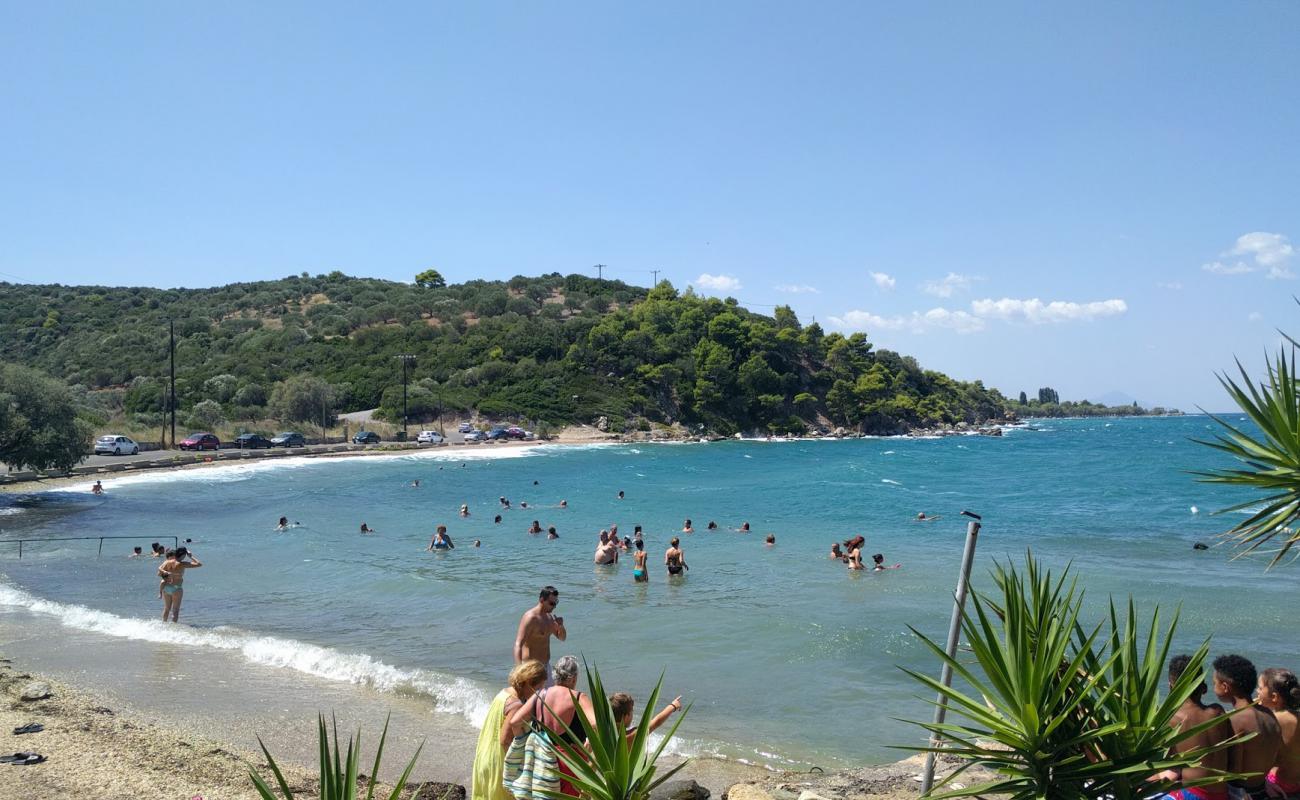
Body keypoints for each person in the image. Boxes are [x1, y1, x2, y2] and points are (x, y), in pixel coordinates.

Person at [506, 656, 595, 800]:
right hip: (572, 763)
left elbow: (515, 722)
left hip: (545, 760)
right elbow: (596, 724)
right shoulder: (579, 697)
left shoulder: (540, 694)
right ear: (573, 678)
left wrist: (525, 741)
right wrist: (590, 740)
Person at [1152, 654, 1233, 800]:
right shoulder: (1218, 711)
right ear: (1203, 688)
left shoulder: (1170, 719)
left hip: (1191, 794)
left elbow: (1169, 764)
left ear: (1171, 688)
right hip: (1222, 794)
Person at [472, 659, 546, 800]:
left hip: (485, 755)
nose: (538, 694)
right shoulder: (516, 705)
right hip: (499, 762)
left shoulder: (503, 694)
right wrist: (516, 769)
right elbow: (505, 739)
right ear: (528, 683)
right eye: (538, 689)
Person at [1215, 654, 1282, 800]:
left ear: (1225, 687)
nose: (1213, 687)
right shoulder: (1269, 714)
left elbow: (1235, 770)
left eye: (1215, 683)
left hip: (1241, 792)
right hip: (1261, 786)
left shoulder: (1235, 720)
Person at [1257, 668, 1300, 798]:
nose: (1257, 692)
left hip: (1279, 784)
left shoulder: (1273, 720)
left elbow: (1259, 759)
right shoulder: (1296, 716)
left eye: (1260, 688)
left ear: (1274, 697)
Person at [514, 587, 567, 680]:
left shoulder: (549, 618)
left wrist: (561, 626)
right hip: (530, 668)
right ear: (542, 600)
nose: (554, 606)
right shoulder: (530, 618)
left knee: (549, 694)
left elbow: (562, 638)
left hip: (546, 667)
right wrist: (519, 669)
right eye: (551, 603)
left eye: (556, 603)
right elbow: (518, 644)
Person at [609, 691, 683, 744]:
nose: (632, 714)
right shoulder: (629, 737)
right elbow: (656, 722)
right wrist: (673, 706)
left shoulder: (602, 731)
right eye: (632, 711)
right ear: (625, 717)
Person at [158, 546, 202, 623]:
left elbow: (159, 574)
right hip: (176, 588)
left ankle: (163, 625)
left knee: (167, 608)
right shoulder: (182, 564)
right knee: (175, 610)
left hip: (166, 587)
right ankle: (173, 628)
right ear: (184, 555)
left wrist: (167, 574)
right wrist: (191, 556)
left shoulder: (167, 562)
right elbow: (199, 564)